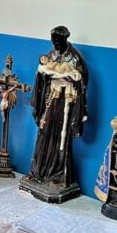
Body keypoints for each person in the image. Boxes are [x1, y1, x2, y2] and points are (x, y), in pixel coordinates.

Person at [22, 26, 88, 191]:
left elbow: (81, 79)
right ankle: (38, 172)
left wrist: (68, 78)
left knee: (61, 138)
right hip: (50, 100)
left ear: (65, 39)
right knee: (43, 134)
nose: (55, 45)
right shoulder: (51, 55)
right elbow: (42, 73)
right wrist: (45, 75)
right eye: (53, 41)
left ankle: (58, 175)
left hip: (65, 103)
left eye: (57, 41)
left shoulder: (74, 58)